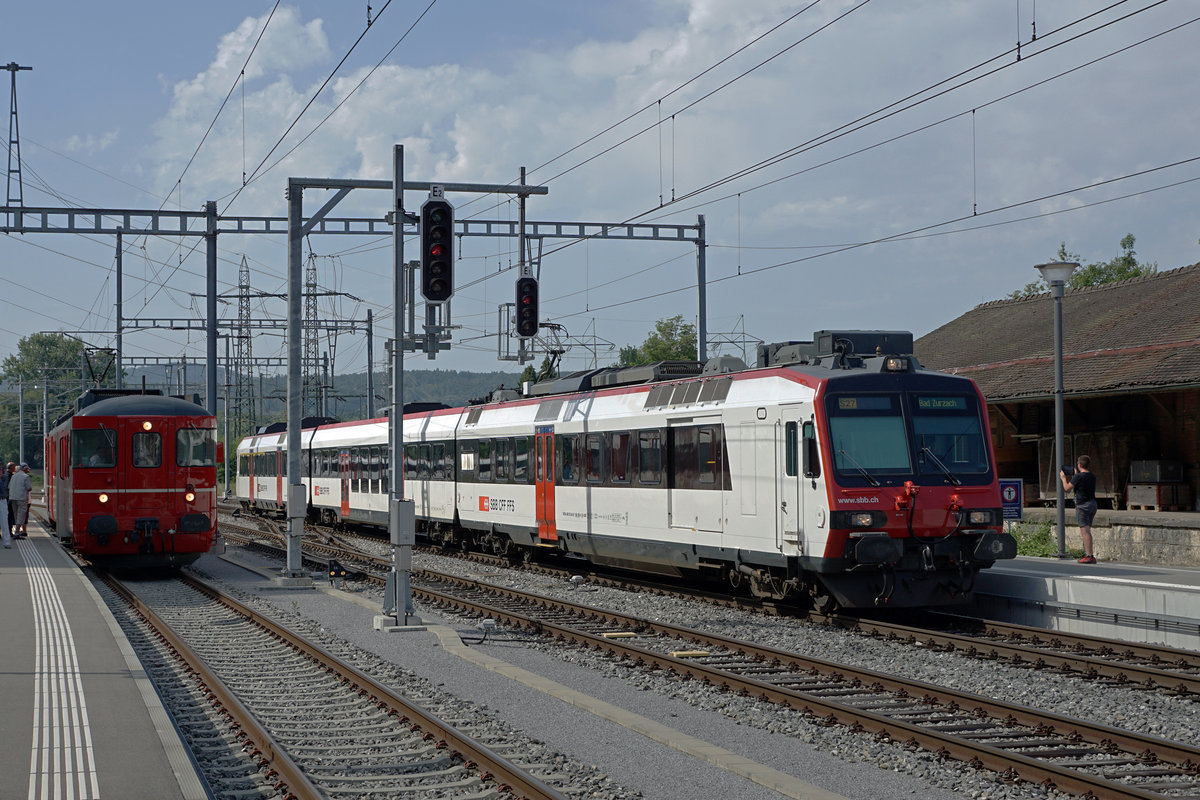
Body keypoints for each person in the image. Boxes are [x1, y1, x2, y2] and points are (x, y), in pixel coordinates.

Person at [1061, 454, 1098, 563]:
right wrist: (1076, 475)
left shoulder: (1078, 477)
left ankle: (1090, 556)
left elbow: (1067, 488)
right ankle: (1088, 553)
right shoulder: (1092, 476)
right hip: (1093, 504)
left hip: (1083, 506)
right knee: (1088, 530)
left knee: (1085, 532)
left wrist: (1063, 478)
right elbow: (1083, 481)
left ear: (1080, 464)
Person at [10, 462, 32, 539]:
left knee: (16, 514)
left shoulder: (14, 476)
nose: (28, 470)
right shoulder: (26, 477)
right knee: (21, 515)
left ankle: (17, 531)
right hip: (21, 498)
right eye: (27, 469)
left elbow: (9, 486)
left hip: (13, 498)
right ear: (25, 469)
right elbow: (29, 488)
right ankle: (16, 533)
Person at [0, 461, 10, 548]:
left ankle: (6, 542)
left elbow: (3, 489)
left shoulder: (4, 478)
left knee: (4, 522)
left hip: (2, 501)